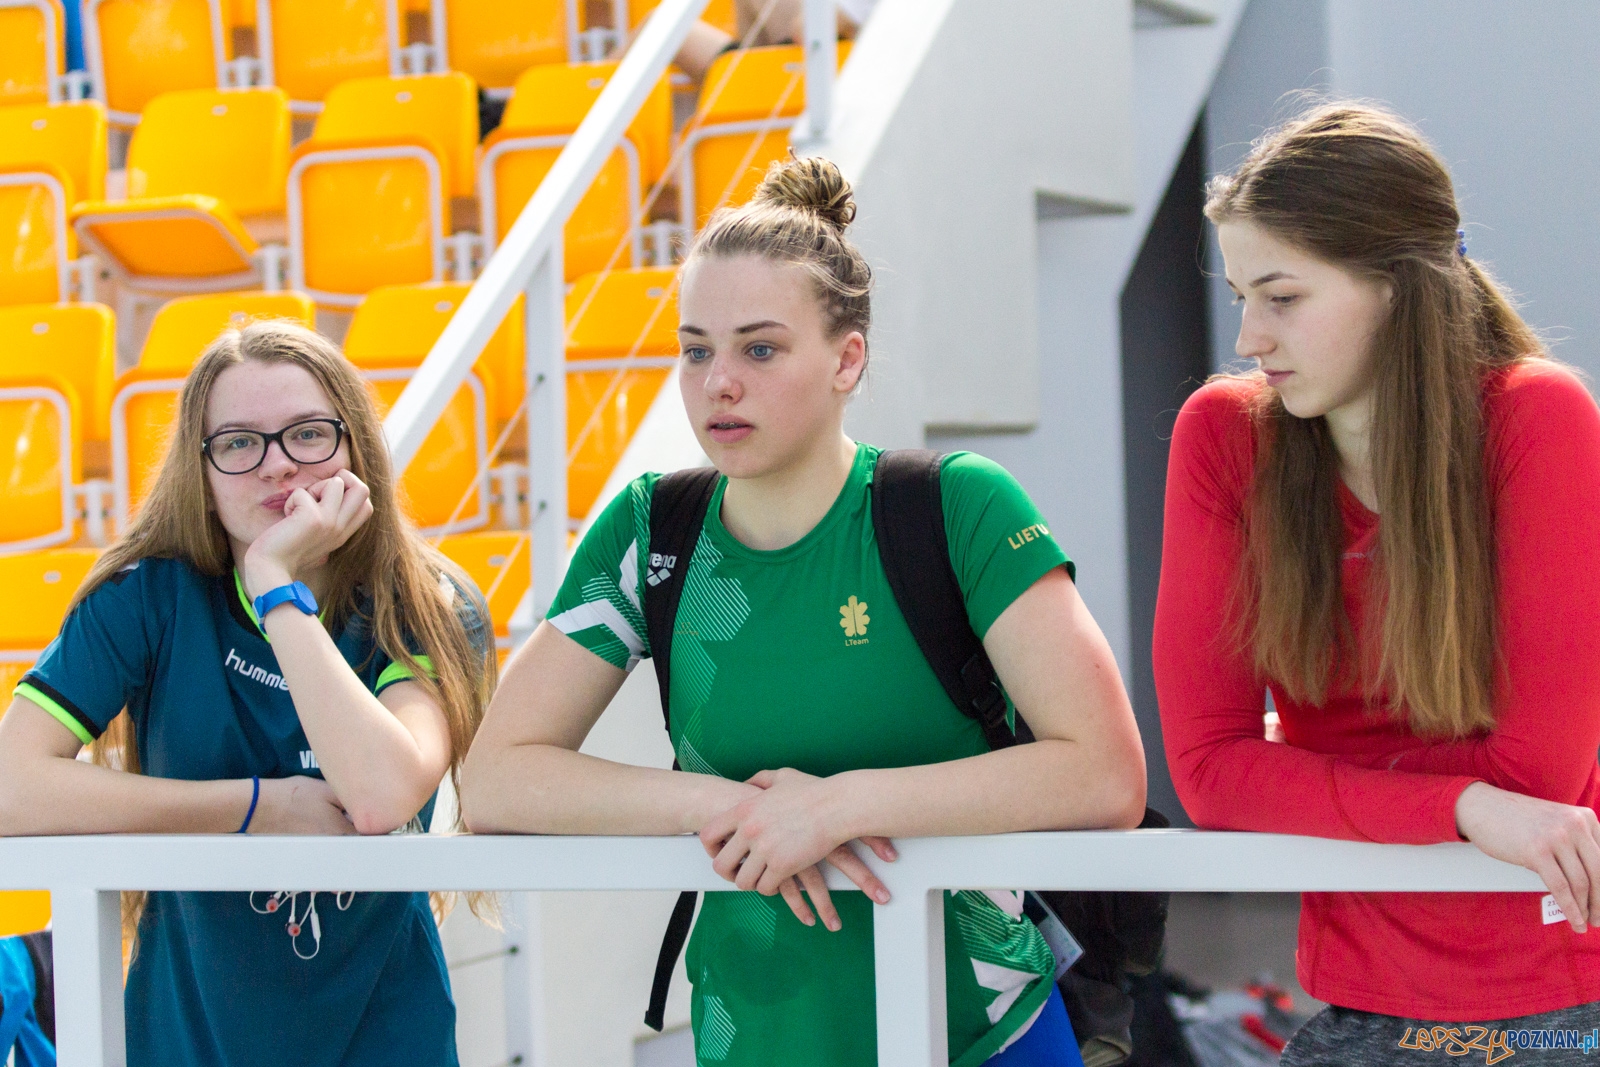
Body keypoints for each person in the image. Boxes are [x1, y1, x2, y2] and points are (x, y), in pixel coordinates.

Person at [461, 155, 1146, 1067]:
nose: (719, 383)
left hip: (982, 1030)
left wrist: (839, 808)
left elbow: (1105, 774)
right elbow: (496, 780)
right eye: (696, 349)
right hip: (756, 1031)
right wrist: (725, 806)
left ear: (846, 358)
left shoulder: (958, 506)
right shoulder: (647, 530)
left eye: (760, 347)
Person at [1154, 104, 1600, 1064]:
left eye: (1281, 297)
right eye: (1240, 296)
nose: (1248, 338)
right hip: (1359, 999)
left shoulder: (1537, 417)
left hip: (1569, 994)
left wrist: (1308, 781)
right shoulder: (1225, 436)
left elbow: (1540, 775)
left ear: (1395, 288)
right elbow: (1208, 770)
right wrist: (1464, 802)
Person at [0, 321, 494, 1067]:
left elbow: (381, 794)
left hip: (386, 1037)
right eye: (238, 443)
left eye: (308, 434)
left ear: (356, 445)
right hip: (187, 1041)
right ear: (198, 470)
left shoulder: (425, 600)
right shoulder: (146, 599)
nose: (276, 467)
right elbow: (10, 785)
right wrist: (258, 806)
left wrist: (274, 584)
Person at [676, 0, 878, 83]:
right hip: (792, 72)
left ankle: (746, 92)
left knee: (655, 26)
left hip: (811, 77)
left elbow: (809, 28)